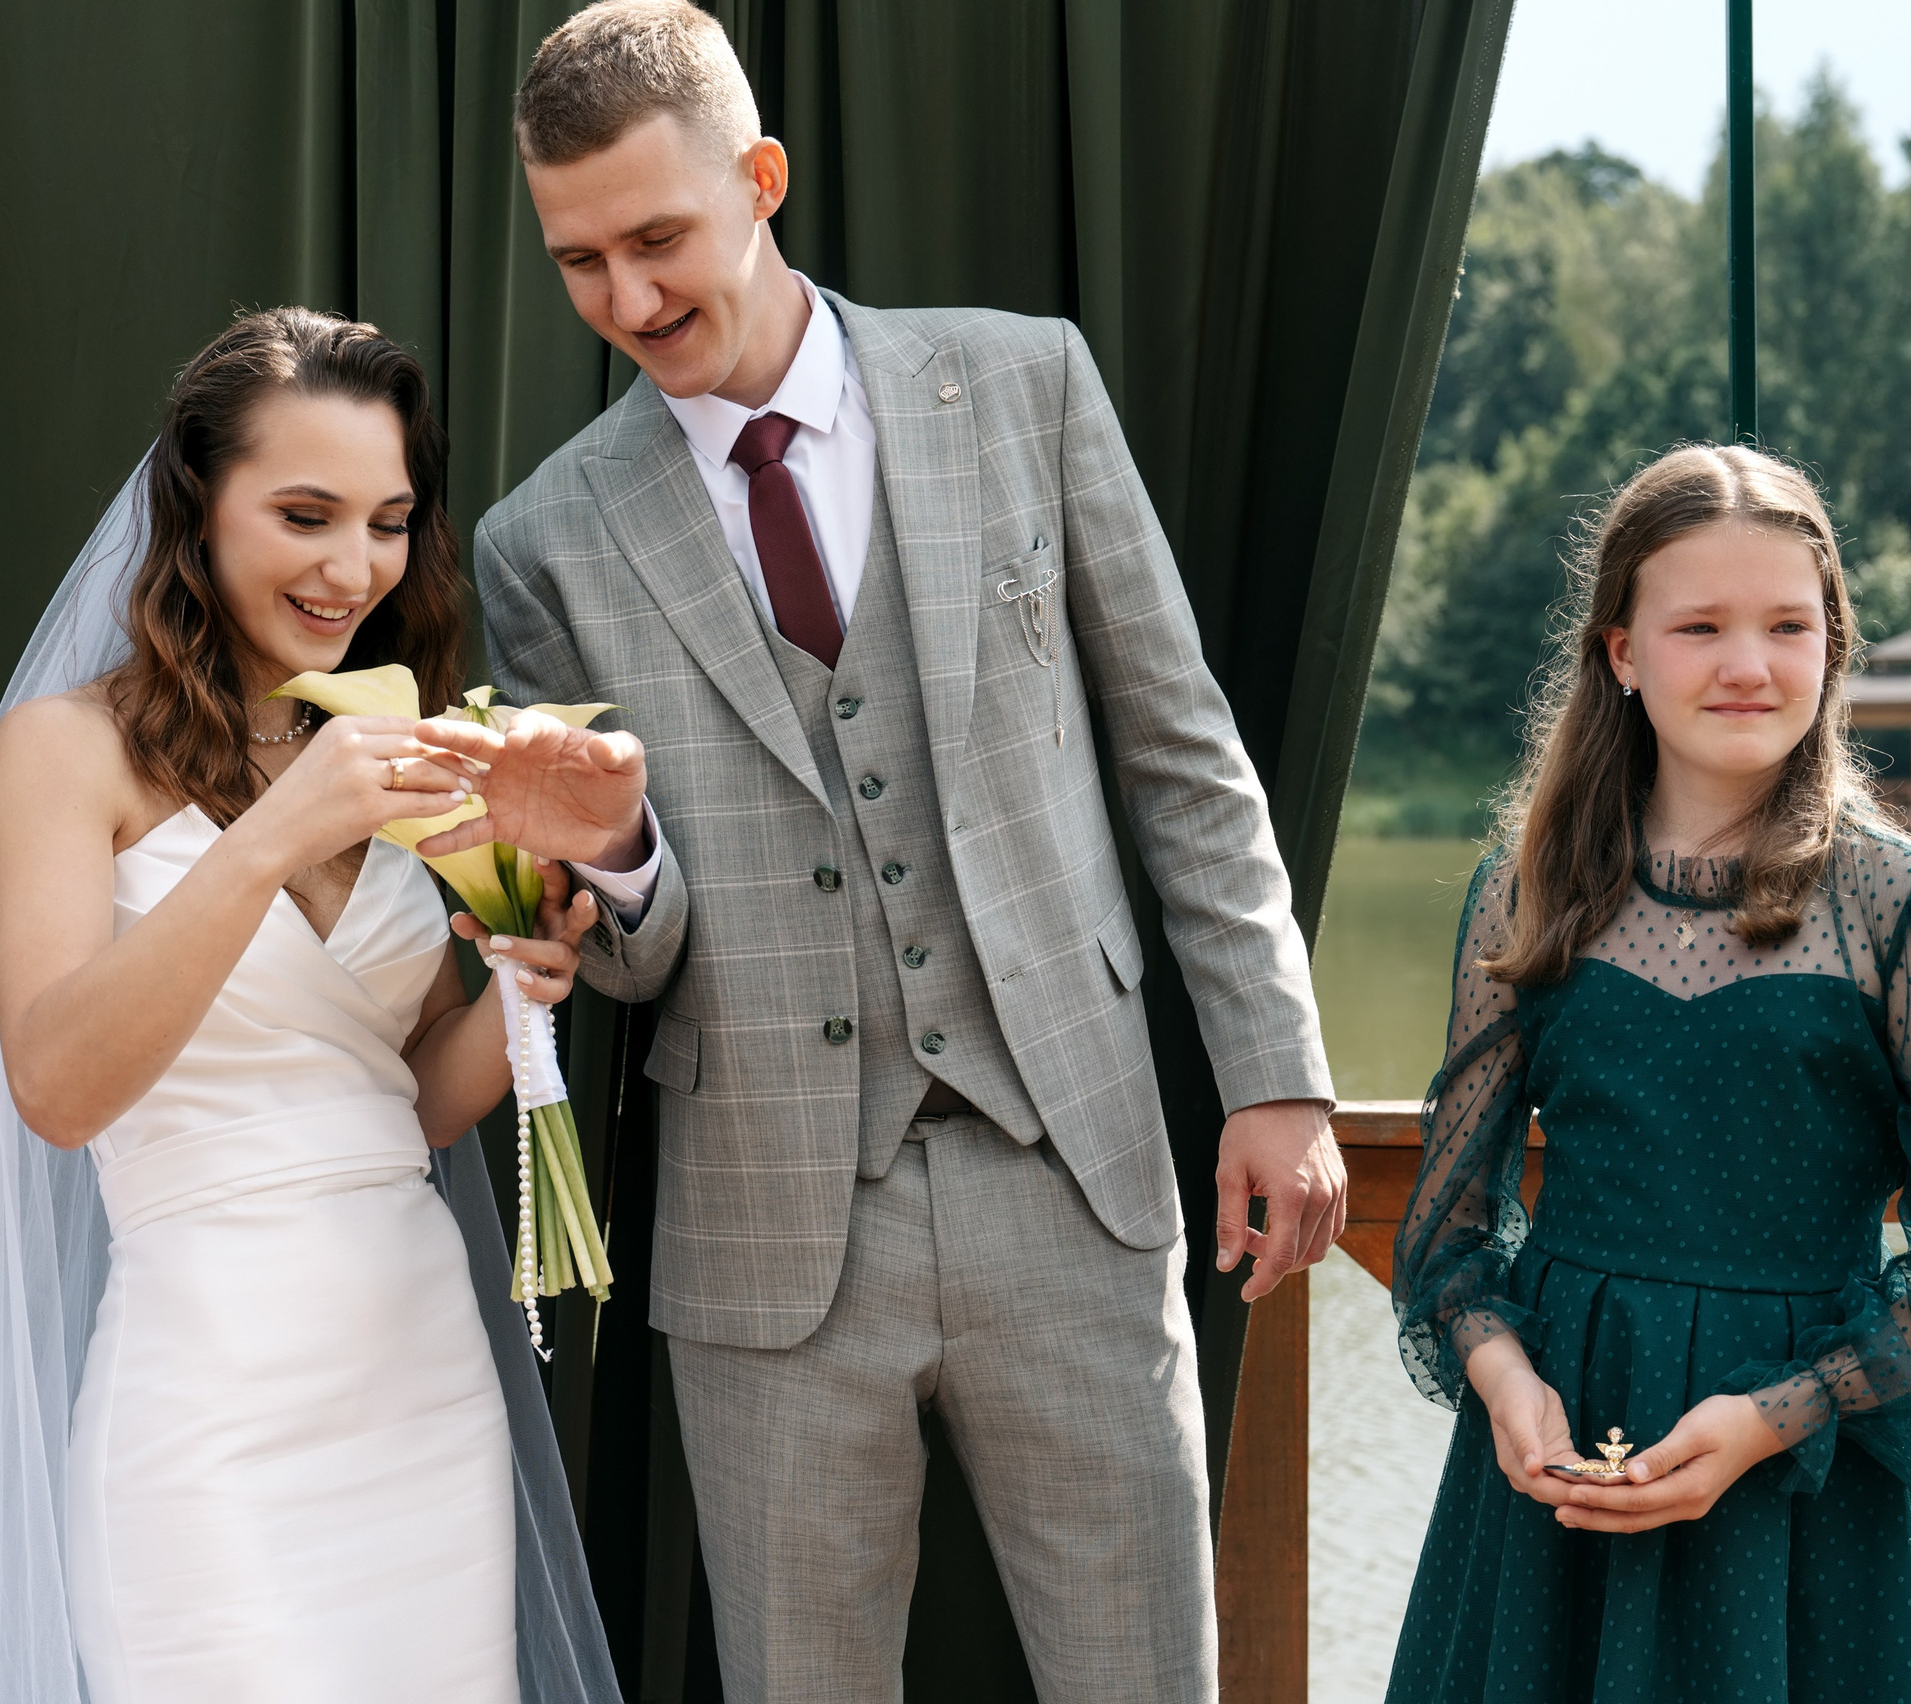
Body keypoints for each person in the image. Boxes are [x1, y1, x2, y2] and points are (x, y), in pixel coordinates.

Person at [416, 4, 1347, 1696]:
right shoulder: (543, 536)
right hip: (771, 1226)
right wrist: (614, 846)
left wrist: (1274, 1070)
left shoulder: (1022, 380)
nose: (627, 300)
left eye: (658, 238)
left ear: (760, 179)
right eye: (578, 263)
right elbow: (624, 950)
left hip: (1069, 1171)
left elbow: (1182, 753)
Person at [0, 310, 628, 1703]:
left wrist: (517, 1001)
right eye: (305, 514)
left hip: (420, 1383)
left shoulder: (401, 737)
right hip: (212, 1405)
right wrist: (269, 837)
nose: (352, 567)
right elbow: (58, 1089)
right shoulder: (66, 751)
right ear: (197, 509)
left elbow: (401, 1104)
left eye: (387, 522)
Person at [1385, 443, 1911, 1703]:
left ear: (1831, 647)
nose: (1747, 665)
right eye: (1698, 625)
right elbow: (1445, 1229)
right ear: (1620, 654)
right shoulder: (1529, 895)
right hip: (1559, 1471)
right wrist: (1503, 1379)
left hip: (1810, 1482)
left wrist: (1774, 1413)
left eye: (1786, 625)